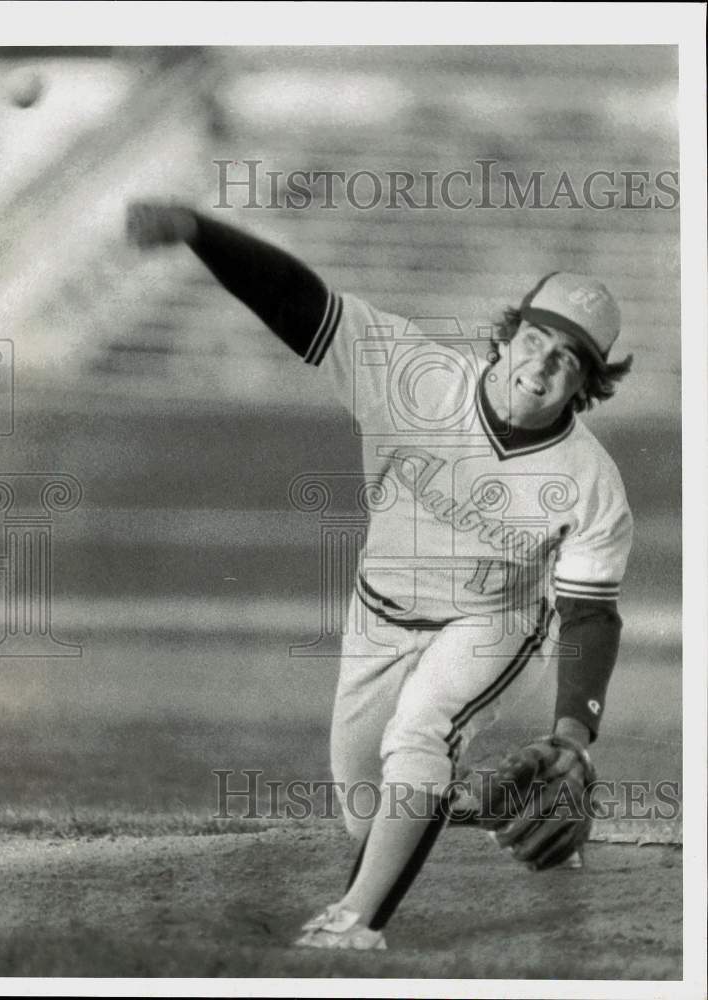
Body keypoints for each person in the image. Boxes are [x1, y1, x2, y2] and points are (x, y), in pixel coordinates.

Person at [126, 201, 634, 950]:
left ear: (588, 383)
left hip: (492, 623)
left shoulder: (591, 481)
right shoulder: (411, 375)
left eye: (568, 358)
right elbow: (301, 304)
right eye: (535, 338)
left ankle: (355, 923)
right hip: (378, 614)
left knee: (422, 731)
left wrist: (572, 734)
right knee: (367, 809)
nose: (541, 364)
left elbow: (590, 613)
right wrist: (202, 232)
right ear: (506, 336)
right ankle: (489, 798)